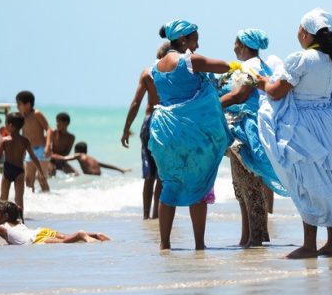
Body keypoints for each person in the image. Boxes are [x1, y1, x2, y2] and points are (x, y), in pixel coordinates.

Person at [256, 8, 332, 259]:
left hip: (303, 125)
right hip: (329, 125)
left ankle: (309, 245)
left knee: (305, 180)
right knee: (330, 181)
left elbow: (276, 92)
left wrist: (259, 81)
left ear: (306, 33)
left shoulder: (302, 58)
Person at [150, 19, 232, 250]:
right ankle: (199, 245)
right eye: (195, 39)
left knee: (170, 184)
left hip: (164, 132)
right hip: (191, 133)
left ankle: (165, 245)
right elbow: (224, 66)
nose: (197, 44)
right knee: (199, 184)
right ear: (184, 39)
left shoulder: (154, 67)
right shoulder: (190, 60)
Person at [219, 28, 287, 247]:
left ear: (243, 45)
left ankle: (255, 238)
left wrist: (212, 105)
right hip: (242, 128)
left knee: (249, 185)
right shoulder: (257, 65)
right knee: (242, 186)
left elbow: (241, 95)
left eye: (236, 42)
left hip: (246, 131)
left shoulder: (252, 67)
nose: (233, 47)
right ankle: (247, 236)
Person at [122, 42, 170, 220]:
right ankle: (156, 216)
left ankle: (145, 216)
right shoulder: (173, 72)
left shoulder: (147, 72)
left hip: (150, 122)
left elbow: (136, 102)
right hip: (167, 123)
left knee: (149, 174)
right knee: (162, 175)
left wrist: (127, 128)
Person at [0, 112, 47, 219]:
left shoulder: (4, 140)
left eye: (6, 124)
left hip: (7, 171)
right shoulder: (25, 141)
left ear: (11, 125)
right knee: (19, 199)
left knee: (3, 197)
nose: (5, 126)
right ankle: (21, 220)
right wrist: (41, 171)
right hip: (19, 172)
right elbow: (33, 157)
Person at [0, 201, 110, 245]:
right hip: (41, 231)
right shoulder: (19, 223)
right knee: (67, 237)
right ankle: (96, 235)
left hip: (36, 239)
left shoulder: (0, 228)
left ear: (5, 216)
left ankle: (81, 234)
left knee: (64, 242)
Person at [16, 91, 52, 192]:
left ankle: (50, 201)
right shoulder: (21, 117)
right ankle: (33, 204)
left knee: (41, 178)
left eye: (19, 104)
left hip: (42, 150)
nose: (17, 106)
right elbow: (23, 134)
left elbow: (48, 129)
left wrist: (48, 145)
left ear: (28, 104)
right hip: (30, 151)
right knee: (28, 181)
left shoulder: (37, 114)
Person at [62, 142, 128, 175]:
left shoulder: (79, 155)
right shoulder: (92, 159)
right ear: (86, 151)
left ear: (76, 151)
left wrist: (52, 155)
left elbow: (64, 158)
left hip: (90, 175)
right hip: (98, 176)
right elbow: (106, 165)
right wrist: (121, 169)